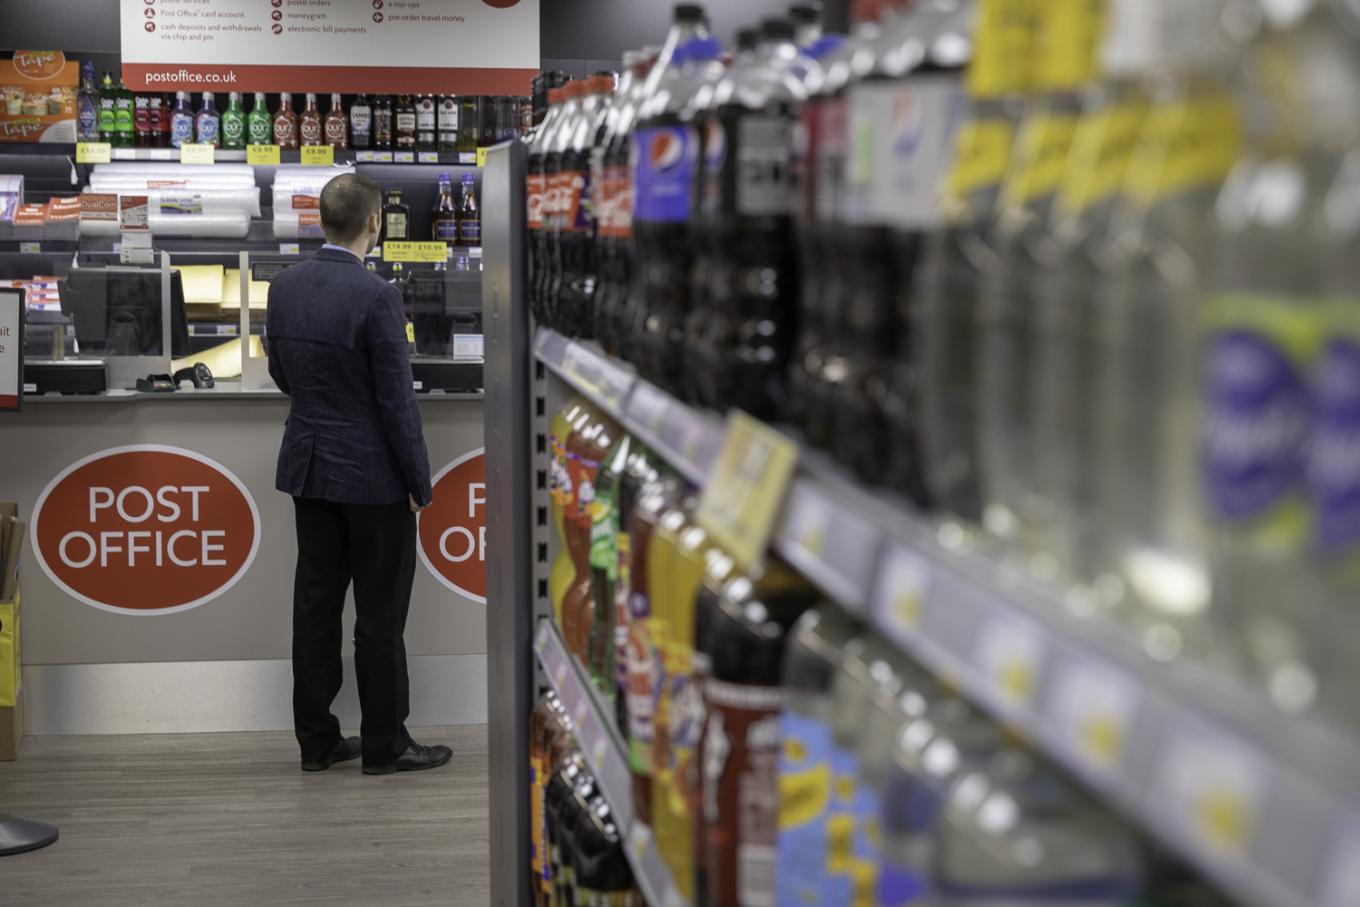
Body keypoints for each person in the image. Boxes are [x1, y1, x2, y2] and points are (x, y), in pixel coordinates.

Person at [266, 172, 452, 775]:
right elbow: (397, 402)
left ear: (322, 220)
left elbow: (282, 374)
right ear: (374, 222)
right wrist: (418, 481)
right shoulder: (376, 296)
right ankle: (385, 744)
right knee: (379, 617)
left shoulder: (284, 286)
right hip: (373, 479)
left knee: (314, 609)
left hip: (311, 467)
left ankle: (317, 741)